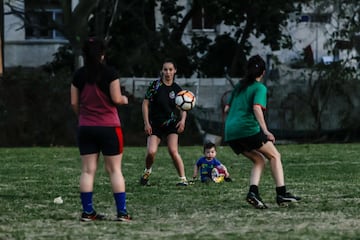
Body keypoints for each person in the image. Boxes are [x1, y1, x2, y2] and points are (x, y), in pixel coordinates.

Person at [224, 54, 301, 209]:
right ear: (263, 72)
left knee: (259, 160)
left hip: (231, 133)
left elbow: (227, 109)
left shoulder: (239, 86)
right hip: (247, 129)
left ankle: (253, 192)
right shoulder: (260, 88)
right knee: (275, 155)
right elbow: (257, 108)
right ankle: (282, 193)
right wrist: (265, 131)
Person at [70, 37, 131, 221]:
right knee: (114, 170)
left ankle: (88, 212)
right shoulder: (110, 73)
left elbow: (74, 102)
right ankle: (122, 213)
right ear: (102, 54)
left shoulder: (78, 75)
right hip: (109, 127)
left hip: (86, 127)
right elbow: (116, 99)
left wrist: (83, 117)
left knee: (88, 170)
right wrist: (125, 99)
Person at [140, 59, 189, 186]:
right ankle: (147, 171)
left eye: (170, 69)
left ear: (175, 71)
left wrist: (182, 121)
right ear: (162, 71)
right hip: (155, 124)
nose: (168, 72)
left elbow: (183, 107)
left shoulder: (177, 89)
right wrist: (146, 123)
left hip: (171, 125)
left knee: (173, 151)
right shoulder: (155, 86)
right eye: (165, 69)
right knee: (151, 152)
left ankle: (183, 179)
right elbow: (145, 104)